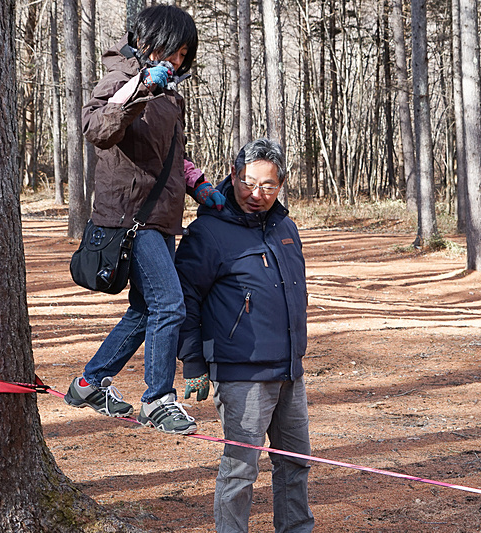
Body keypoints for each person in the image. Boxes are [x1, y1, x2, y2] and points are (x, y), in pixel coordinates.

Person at [63, 5, 225, 436]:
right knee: (169, 304)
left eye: (184, 55)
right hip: (130, 218)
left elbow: (173, 157)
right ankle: (157, 400)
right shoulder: (119, 78)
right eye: (174, 51)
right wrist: (140, 88)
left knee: (144, 308)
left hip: (161, 218)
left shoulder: (170, 95)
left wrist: (199, 184)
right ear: (148, 41)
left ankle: (89, 383)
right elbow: (96, 127)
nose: (177, 61)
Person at [175, 138, 314, 532]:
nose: (256, 194)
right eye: (248, 183)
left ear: (281, 184)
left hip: (290, 371)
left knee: (296, 463)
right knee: (240, 471)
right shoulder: (208, 231)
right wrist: (193, 362)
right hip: (241, 374)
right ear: (233, 175)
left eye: (267, 185)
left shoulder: (286, 227)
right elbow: (185, 300)